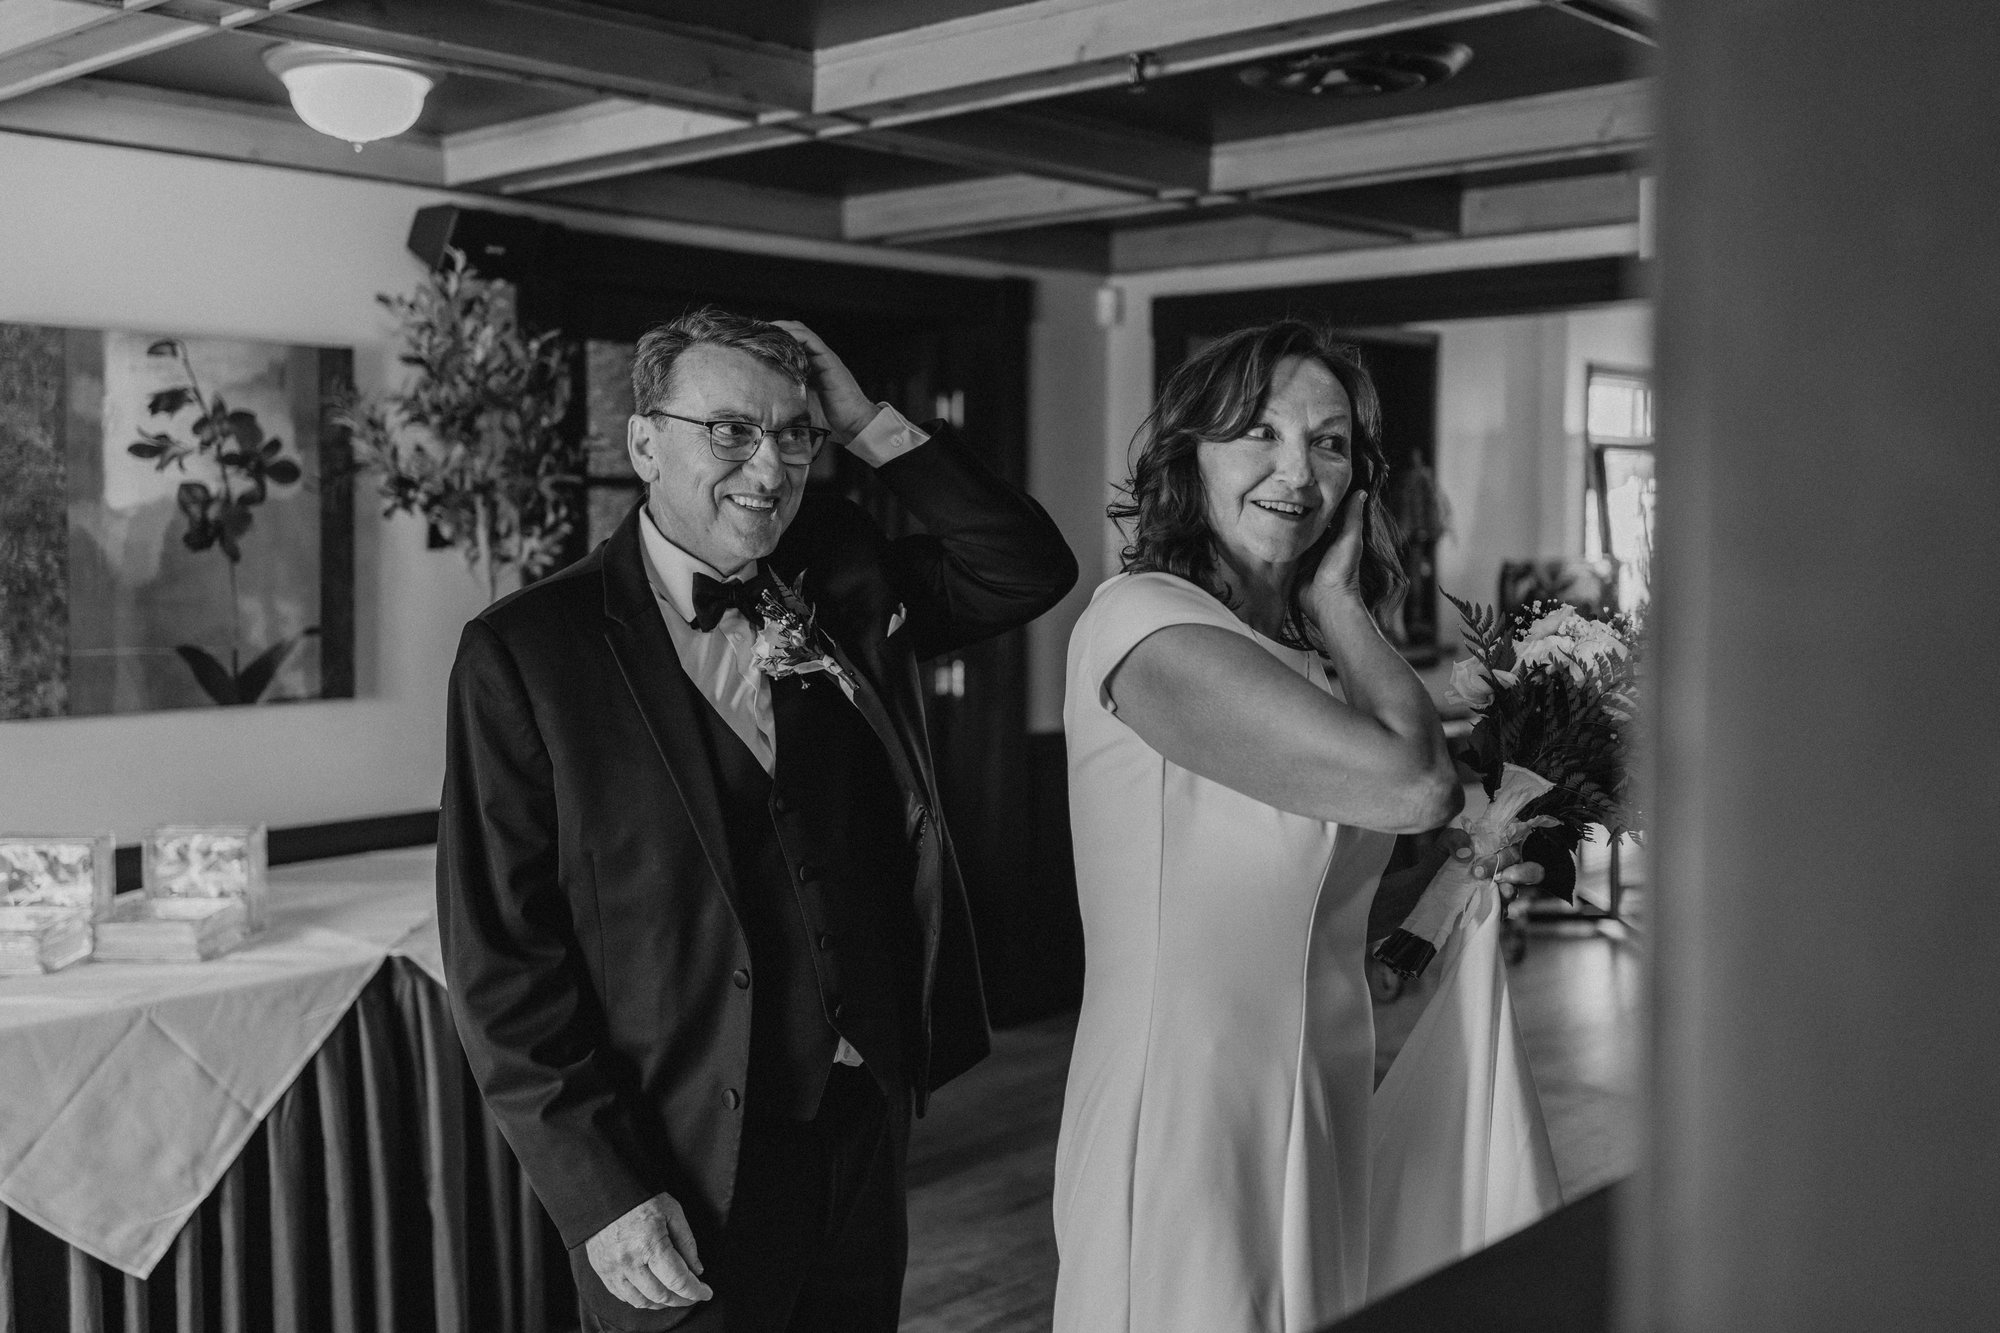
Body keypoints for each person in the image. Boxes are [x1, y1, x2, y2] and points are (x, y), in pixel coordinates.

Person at [438, 307, 1076, 1333]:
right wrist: (603, 1190)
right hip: (675, 1147)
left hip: (857, 1113)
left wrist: (865, 419)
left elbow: (1023, 567)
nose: (770, 468)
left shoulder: (846, 577)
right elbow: (501, 959)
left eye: (793, 434)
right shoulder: (526, 652)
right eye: (731, 431)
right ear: (644, 441)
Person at [1053, 319, 1538, 1332]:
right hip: (1189, 1097)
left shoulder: (1310, 665)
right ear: (1187, 452)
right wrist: (1342, 601)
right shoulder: (1143, 622)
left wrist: (1460, 882)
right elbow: (1412, 786)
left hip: (1320, 1082)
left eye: (1325, 442)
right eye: (1258, 434)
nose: (1295, 471)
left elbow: (1327, 899)